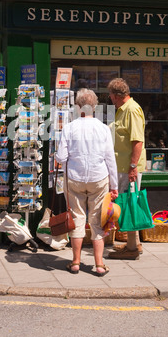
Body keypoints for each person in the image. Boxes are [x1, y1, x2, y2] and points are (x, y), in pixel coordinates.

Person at [55, 88, 118, 277]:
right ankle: (99, 265)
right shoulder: (103, 128)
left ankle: (75, 262)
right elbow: (110, 160)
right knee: (98, 221)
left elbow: (61, 157)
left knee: (77, 219)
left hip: (74, 178)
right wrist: (114, 185)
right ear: (95, 107)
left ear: (78, 106)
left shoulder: (69, 127)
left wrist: (57, 156)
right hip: (99, 179)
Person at [107, 78, 146, 260]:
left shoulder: (132, 110)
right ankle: (134, 243)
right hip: (122, 166)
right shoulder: (122, 110)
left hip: (128, 168)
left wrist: (132, 167)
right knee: (128, 202)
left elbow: (137, 141)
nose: (110, 99)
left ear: (115, 96)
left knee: (129, 204)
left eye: (111, 96)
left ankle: (131, 249)